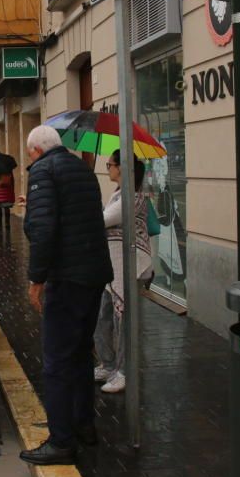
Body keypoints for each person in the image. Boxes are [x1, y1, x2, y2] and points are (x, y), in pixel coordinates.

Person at [18, 125, 113, 466]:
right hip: (93, 275)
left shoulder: (43, 170)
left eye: (30, 154)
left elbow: (43, 230)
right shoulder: (82, 170)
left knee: (57, 361)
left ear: (36, 151)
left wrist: (36, 279)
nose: (30, 159)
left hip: (67, 276)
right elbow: (79, 217)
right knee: (81, 356)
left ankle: (61, 442)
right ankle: (83, 425)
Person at [93, 149, 152, 394]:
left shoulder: (131, 198)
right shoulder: (118, 195)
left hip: (128, 269)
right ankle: (107, 364)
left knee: (123, 323)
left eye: (110, 165)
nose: (108, 169)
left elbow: (101, 220)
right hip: (112, 269)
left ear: (121, 168)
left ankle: (123, 371)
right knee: (101, 318)